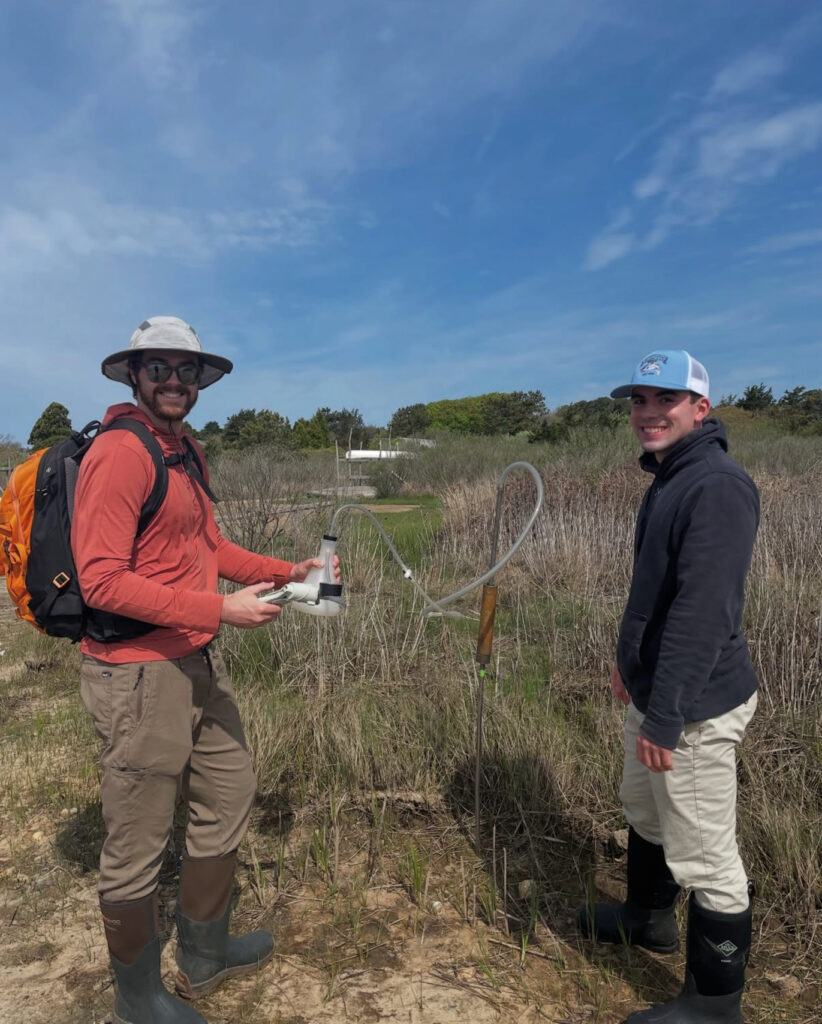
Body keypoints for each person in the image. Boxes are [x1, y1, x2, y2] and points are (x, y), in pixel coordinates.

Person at [72, 316, 339, 1024]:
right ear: (134, 375)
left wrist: (290, 571)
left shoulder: (184, 451)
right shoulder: (122, 454)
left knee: (228, 791)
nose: (174, 381)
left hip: (194, 659)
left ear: (200, 383)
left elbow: (210, 546)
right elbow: (99, 581)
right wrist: (221, 610)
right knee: (136, 838)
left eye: (186, 371)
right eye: (158, 367)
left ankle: (205, 953)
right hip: (134, 671)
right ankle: (137, 998)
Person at [578, 350, 759, 1024]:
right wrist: (630, 669)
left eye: (666, 400)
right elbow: (652, 594)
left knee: (707, 855)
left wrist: (667, 715)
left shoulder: (716, 485)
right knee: (645, 810)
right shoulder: (671, 477)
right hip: (658, 693)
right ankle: (645, 918)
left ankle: (715, 1006)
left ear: (700, 409)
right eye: (639, 400)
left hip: (695, 707)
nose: (648, 413)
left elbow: (703, 613)